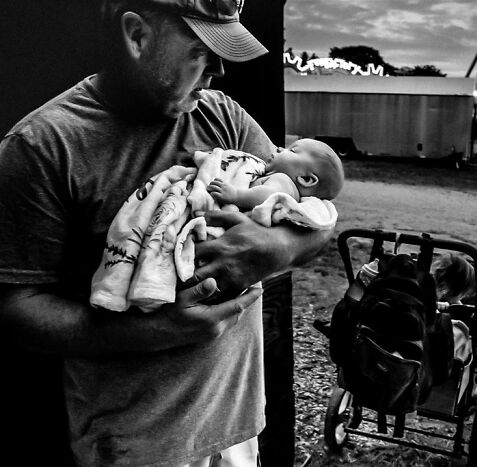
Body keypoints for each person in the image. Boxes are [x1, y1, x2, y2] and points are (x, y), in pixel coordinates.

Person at [0, 1, 332, 466]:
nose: (219, 69)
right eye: (201, 49)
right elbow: (15, 309)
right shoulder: (42, 146)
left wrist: (273, 247)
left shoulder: (225, 117)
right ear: (137, 35)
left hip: (235, 424)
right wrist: (149, 330)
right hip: (133, 443)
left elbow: (312, 218)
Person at [207, 138, 344, 210]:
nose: (279, 148)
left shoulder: (283, 181)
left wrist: (237, 195)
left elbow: (269, 196)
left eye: (293, 151)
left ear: (306, 179)